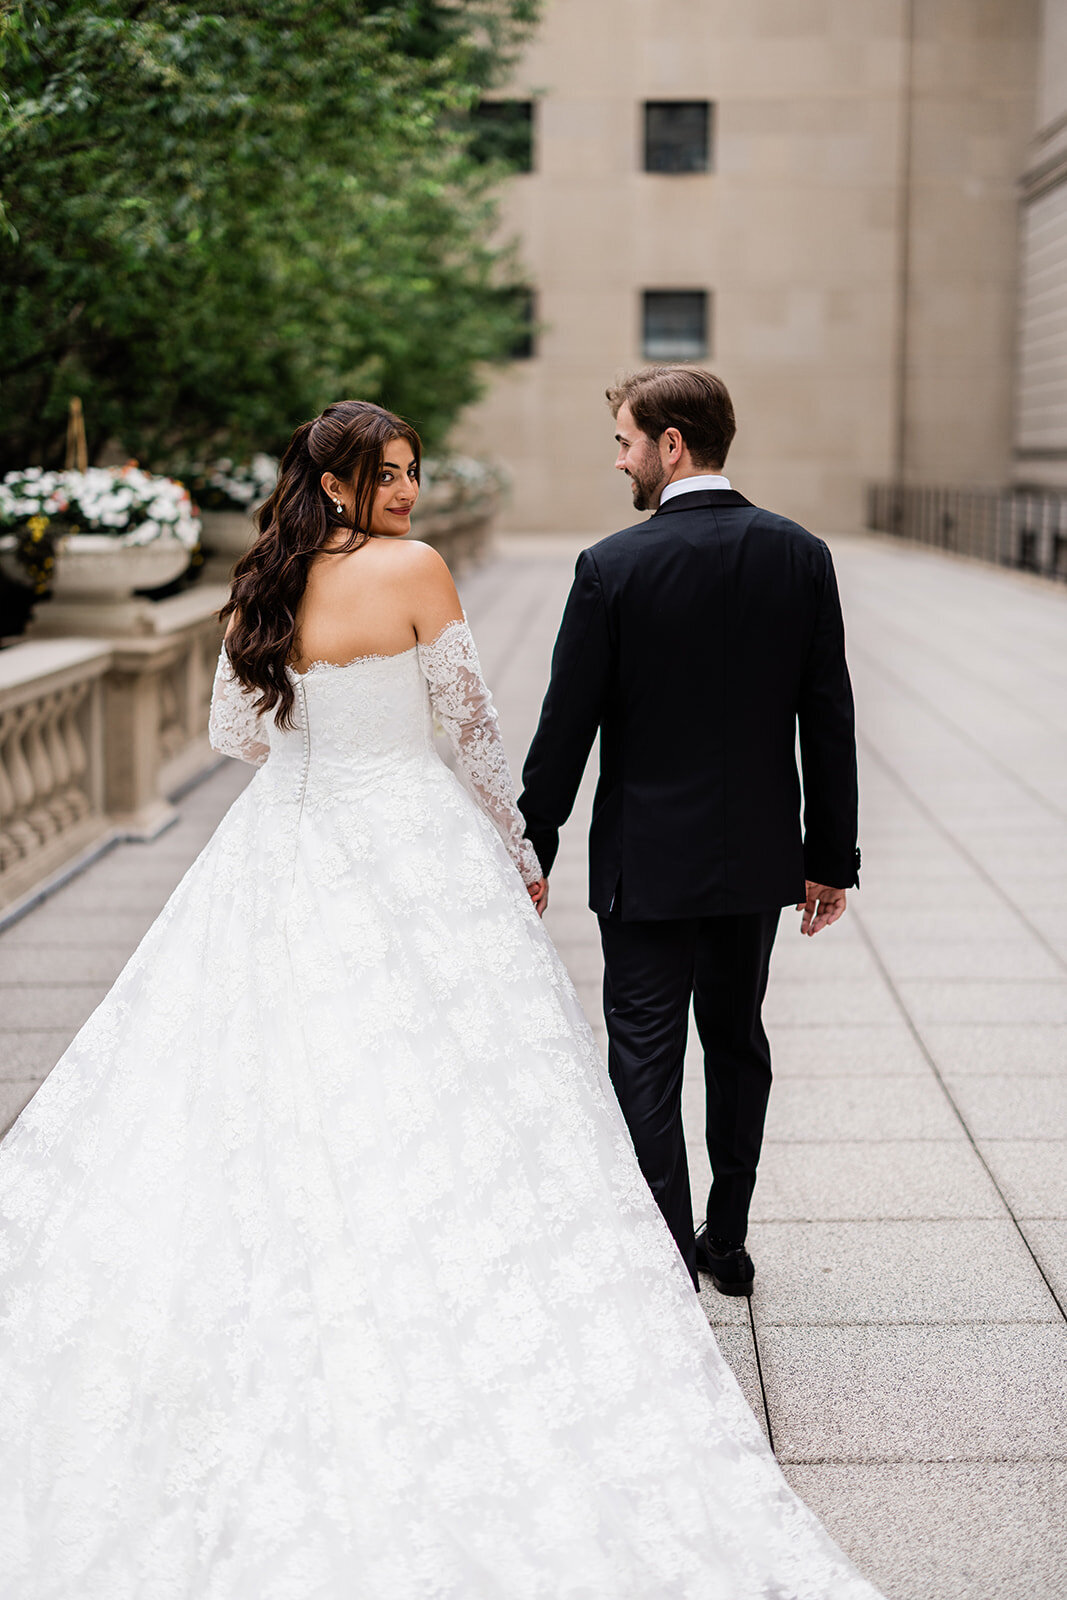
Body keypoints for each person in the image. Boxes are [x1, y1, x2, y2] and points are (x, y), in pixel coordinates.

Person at [0, 400, 881, 1598]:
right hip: (422, 825)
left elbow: (235, 735)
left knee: (285, 1053)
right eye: (390, 472)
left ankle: (672, 1237)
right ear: (340, 476)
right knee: (512, 1058)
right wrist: (514, 838)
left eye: (414, 472)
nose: (410, 491)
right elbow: (471, 733)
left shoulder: (269, 581)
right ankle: (699, 1237)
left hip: (294, 832)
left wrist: (343, 750)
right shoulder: (419, 570)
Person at [519, 367, 860, 1296]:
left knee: (643, 1048)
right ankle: (728, 1239)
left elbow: (565, 727)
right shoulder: (799, 555)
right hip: (755, 859)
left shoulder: (611, 567)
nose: (619, 461)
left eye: (625, 441)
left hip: (645, 863)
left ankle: (665, 1249)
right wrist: (829, 858)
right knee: (737, 1038)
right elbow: (826, 718)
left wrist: (533, 841)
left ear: (672, 445)